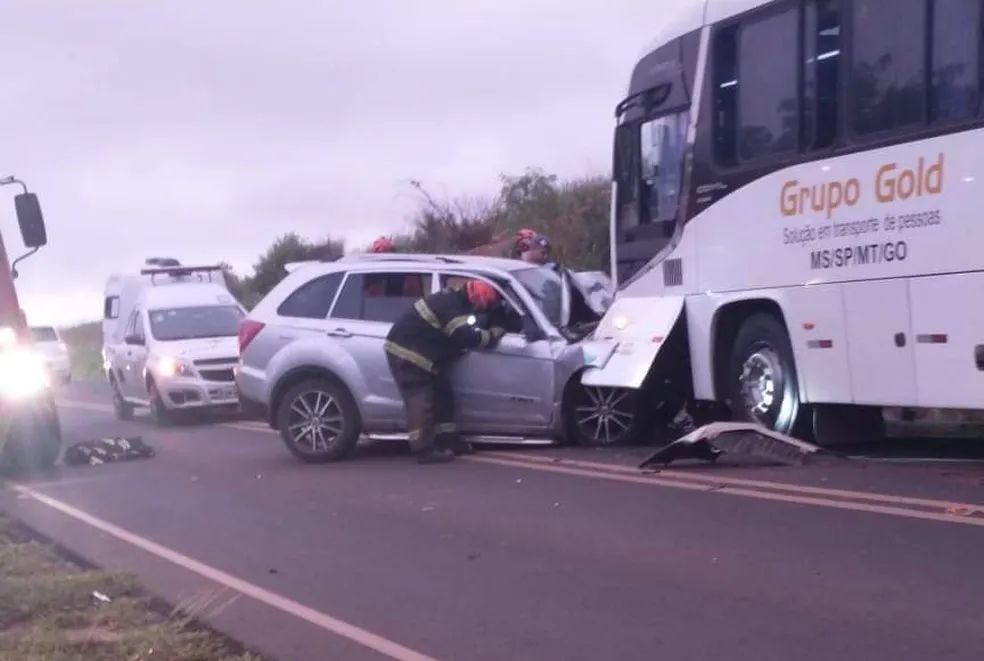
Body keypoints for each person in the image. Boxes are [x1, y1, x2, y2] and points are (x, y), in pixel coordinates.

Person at [384, 280, 506, 464]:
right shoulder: (452, 307)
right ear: (477, 301)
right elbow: (465, 337)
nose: (484, 310)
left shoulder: (454, 301)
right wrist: (492, 335)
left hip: (425, 355)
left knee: (443, 394)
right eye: (485, 306)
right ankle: (423, 449)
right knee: (420, 399)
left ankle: (447, 440)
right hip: (407, 353)